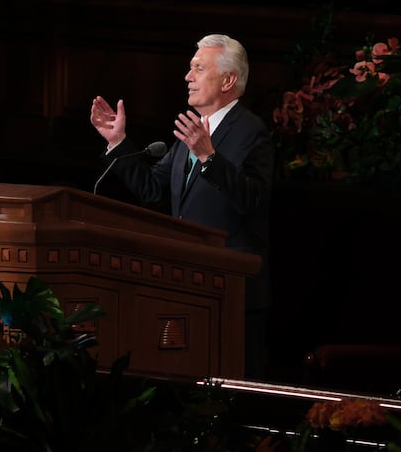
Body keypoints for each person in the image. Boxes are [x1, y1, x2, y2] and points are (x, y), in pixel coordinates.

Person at [89, 33, 274, 379]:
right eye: (190, 68)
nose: (187, 77)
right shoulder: (192, 131)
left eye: (198, 68)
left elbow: (254, 199)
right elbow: (152, 190)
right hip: (188, 287)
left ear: (228, 79)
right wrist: (118, 143)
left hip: (233, 293)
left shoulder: (251, 132)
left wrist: (208, 157)